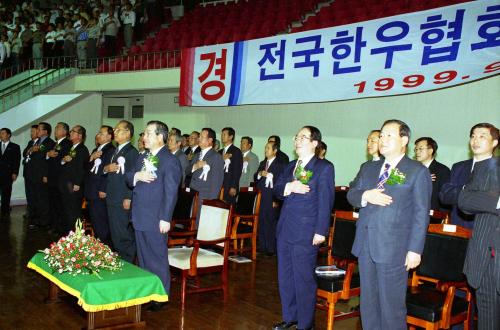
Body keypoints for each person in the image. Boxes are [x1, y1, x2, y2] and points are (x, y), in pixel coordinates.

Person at [347, 119, 432, 330]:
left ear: (404, 140)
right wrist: (366, 195)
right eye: (381, 135)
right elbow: (351, 194)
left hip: (395, 248)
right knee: (368, 305)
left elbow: (421, 213)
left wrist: (415, 250)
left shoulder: (416, 170)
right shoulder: (368, 168)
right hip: (366, 245)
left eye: (389, 136)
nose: (382, 140)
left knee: (391, 308)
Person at [273, 126, 334, 330]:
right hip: (285, 229)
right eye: (297, 137)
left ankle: (305, 324)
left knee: (304, 280)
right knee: (285, 277)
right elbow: (277, 190)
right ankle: (290, 317)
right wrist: (290, 187)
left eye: (303, 137)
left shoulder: (324, 167)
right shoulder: (290, 166)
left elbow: (326, 201)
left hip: (306, 232)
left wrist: (321, 231)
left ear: (315, 143)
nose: (298, 140)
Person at [127, 120, 182, 312]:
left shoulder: (170, 160)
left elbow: (171, 192)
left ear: (160, 137)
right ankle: (148, 292)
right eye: (144, 133)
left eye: (148, 133)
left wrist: (165, 218)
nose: (144, 137)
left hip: (156, 217)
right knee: (143, 258)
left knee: (157, 258)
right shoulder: (143, 157)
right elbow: (128, 176)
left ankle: (161, 296)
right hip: (140, 215)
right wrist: (137, 177)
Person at [458, 155, 499, 330]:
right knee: (488, 321)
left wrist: (487, 200)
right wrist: (497, 202)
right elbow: (465, 200)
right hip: (487, 259)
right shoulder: (487, 167)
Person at [440, 123, 498, 229]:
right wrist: (465, 189)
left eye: (482, 136)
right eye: (473, 136)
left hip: (486, 233)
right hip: (457, 230)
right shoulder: (459, 167)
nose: (475, 141)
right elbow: (444, 195)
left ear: (494, 142)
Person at [104, 120, 138, 262]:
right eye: (115, 129)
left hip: (122, 198)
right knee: (115, 232)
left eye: (118, 130)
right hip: (112, 195)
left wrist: (128, 197)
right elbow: (109, 170)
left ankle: (127, 261)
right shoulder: (116, 151)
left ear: (128, 133)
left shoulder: (131, 152)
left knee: (122, 233)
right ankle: (121, 258)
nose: (115, 132)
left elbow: (133, 175)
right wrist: (107, 168)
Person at [84, 126, 115, 245]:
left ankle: (106, 249)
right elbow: (86, 168)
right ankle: (98, 248)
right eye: (98, 133)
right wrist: (91, 157)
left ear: (109, 136)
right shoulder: (95, 150)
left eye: (101, 133)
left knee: (101, 223)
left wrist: (103, 189)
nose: (98, 135)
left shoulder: (111, 150)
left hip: (99, 192)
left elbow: (108, 172)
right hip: (91, 190)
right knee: (95, 222)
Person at [254, 141, 285, 256]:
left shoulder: (280, 165)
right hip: (261, 196)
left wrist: (276, 200)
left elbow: (280, 183)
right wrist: (259, 174)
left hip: (272, 198)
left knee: (271, 222)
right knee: (261, 221)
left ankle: (271, 248)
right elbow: (255, 177)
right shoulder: (263, 163)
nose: (266, 150)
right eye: (265, 148)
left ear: (275, 151)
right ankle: (263, 246)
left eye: (268, 148)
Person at [188, 128, 224, 225]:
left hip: (204, 197)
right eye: (199, 136)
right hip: (193, 196)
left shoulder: (216, 157)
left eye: (202, 137)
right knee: (191, 225)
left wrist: (210, 203)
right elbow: (187, 171)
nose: (199, 139)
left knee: (200, 226)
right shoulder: (197, 155)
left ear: (210, 140)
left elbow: (216, 183)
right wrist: (195, 166)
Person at [58, 125, 90, 234]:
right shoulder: (70, 147)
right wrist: (63, 160)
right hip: (65, 184)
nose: (70, 133)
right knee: (66, 210)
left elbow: (82, 168)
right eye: (70, 131)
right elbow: (62, 161)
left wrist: (78, 183)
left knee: (74, 211)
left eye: (73, 131)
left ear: (80, 136)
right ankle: (68, 234)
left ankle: (77, 235)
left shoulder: (82, 149)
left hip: (74, 186)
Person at [26, 122, 55, 229]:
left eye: (39, 129)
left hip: (42, 175)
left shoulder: (50, 143)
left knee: (43, 199)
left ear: (45, 131)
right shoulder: (36, 141)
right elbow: (29, 154)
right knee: (35, 199)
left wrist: (46, 175)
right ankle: (37, 219)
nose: (37, 131)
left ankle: (44, 222)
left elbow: (48, 161)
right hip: (33, 175)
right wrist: (30, 150)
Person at [46, 122, 72, 233]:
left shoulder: (67, 143)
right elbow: (50, 159)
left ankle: (60, 227)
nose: (55, 130)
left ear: (65, 131)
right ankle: (54, 225)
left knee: (59, 204)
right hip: (52, 178)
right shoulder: (55, 143)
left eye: (58, 128)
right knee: (52, 203)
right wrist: (48, 154)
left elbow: (62, 159)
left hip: (60, 179)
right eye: (56, 128)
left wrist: (53, 155)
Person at [414, 137, 450, 211]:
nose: (417, 152)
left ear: (430, 151)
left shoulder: (442, 170)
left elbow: (444, 198)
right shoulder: (412, 169)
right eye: (416, 149)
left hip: (433, 217)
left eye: (420, 149)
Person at [0, 128, 21, 220]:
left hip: (8, 174)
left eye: (3, 133)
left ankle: (5, 210)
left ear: (8, 135)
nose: (1, 134)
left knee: (6, 193)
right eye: (0, 133)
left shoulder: (15, 147)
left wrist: (15, 173)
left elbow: (17, 161)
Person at [219, 127, 243, 205]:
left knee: (227, 208)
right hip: (218, 185)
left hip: (229, 186)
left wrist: (234, 186)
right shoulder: (219, 152)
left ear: (231, 137)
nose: (222, 136)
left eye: (224, 134)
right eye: (222, 134)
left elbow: (237, 170)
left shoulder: (236, 151)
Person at [22, 125, 38, 220]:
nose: (31, 133)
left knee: (35, 194)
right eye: (31, 131)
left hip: (34, 173)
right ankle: (30, 211)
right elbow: (24, 153)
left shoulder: (40, 144)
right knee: (29, 194)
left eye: (33, 131)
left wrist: (30, 151)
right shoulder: (30, 142)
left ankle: (35, 213)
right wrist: (30, 150)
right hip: (27, 172)